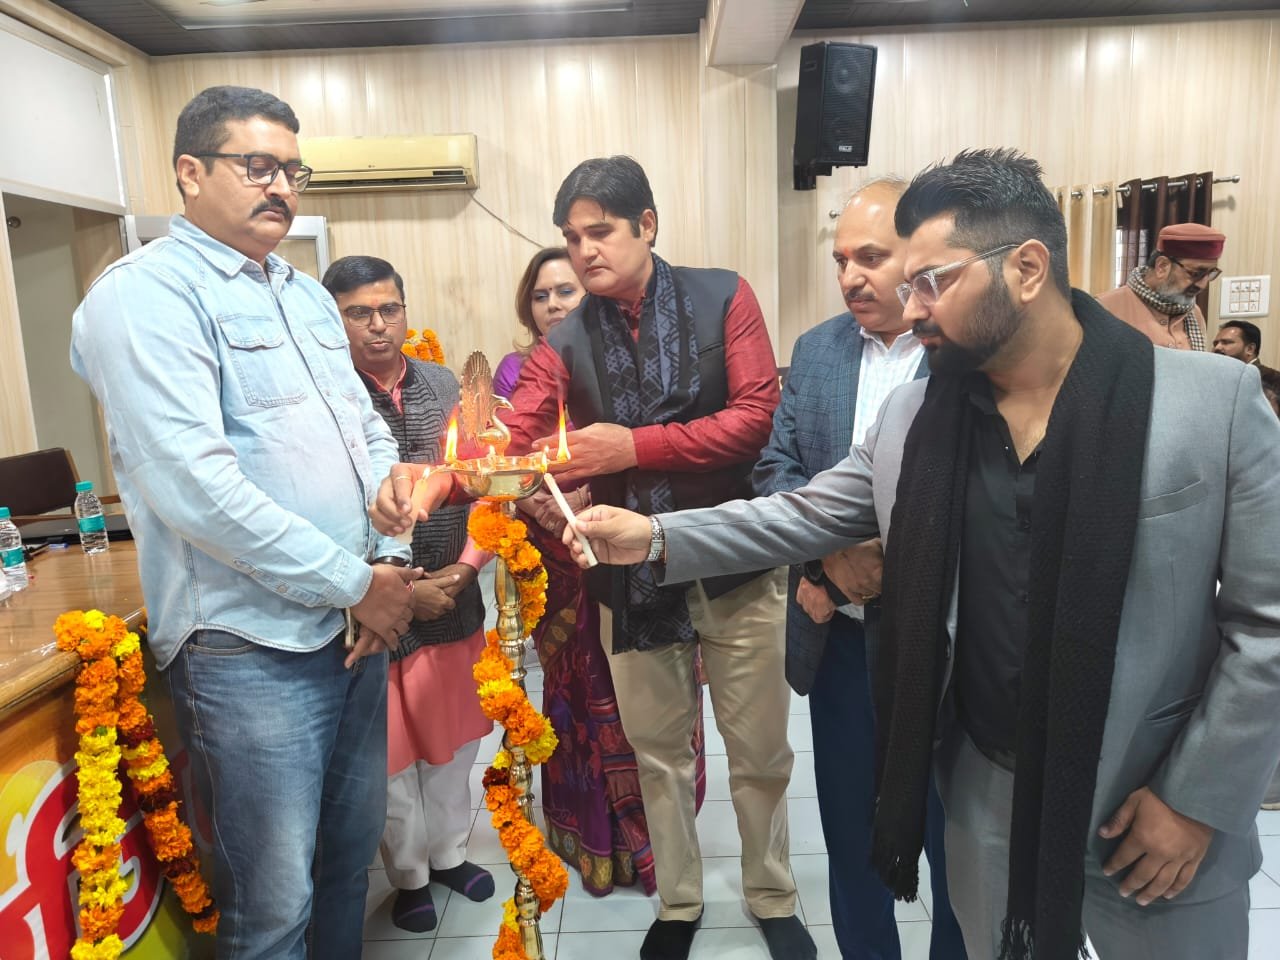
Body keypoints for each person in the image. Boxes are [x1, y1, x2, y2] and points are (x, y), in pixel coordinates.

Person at [562, 149, 1280, 960]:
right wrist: (654, 536)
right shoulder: (916, 416)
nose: (913, 309)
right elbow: (797, 513)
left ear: (1027, 270)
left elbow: (1267, 627)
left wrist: (1196, 800)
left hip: (1149, 813)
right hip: (987, 797)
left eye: (932, 281)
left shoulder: (1210, 406)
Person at [374, 155, 810, 960]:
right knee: (657, 754)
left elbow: (756, 418)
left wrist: (632, 447)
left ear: (647, 225)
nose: (583, 252)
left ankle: (772, 894)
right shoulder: (567, 339)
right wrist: (439, 480)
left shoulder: (723, 297)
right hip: (628, 577)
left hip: (734, 565)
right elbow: (515, 436)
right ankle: (678, 903)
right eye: (571, 238)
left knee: (759, 752)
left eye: (600, 232)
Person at [70, 86, 418, 959]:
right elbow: (194, 487)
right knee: (272, 908)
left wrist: (390, 537)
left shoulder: (304, 296)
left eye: (293, 171)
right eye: (258, 166)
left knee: (346, 866)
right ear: (190, 173)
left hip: (352, 629)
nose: (282, 188)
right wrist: (358, 584)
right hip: (250, 650)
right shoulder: (144, 296)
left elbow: (367, 428)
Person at [754, 178, 965, 960]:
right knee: (852, 835)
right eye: (841, 259)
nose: (851, 277)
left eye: (871, 257)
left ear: (920, 253)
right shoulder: (817, 351)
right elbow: (774, 469)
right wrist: (824, 562)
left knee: (952, 845)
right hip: (838, 636)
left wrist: (889, 560)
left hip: (947, 653)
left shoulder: (967, 352)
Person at [495, 247, 707, 898]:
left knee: (651, 690)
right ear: (528, 307)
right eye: (542, 295)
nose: (555, 305)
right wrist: (539, 500)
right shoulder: (515, 373)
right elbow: (504, 460)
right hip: (555, 563)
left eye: (567, 292)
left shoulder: (626, 363)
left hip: (629, 545)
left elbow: (656, 445)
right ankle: (592, 835)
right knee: (577, 694)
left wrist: (605, 495)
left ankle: (657, 842)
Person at [322, 255, 495, 931]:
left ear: (404, 310)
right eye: (358, 313)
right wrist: (394, 592)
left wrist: (470, 568)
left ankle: (450, 855)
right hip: (374, 611)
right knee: (390, 755)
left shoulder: (444, 383)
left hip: (455, 597)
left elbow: (483, 481)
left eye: (388, 309)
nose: (377, 325)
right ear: (332, 320)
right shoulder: (327, 396)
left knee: (452, 743)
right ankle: (410, 874)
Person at [1096, 222, 1225, 350]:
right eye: (1196, 274)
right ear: (1162, 266)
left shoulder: (1194, 313)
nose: (1202, 285)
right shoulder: (1104, 307)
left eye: (1210, 274)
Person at [493, 247, 585, 398]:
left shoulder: (613, 361)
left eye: (565, 292)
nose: (552, 304)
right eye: (540, 297)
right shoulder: (513, 370)